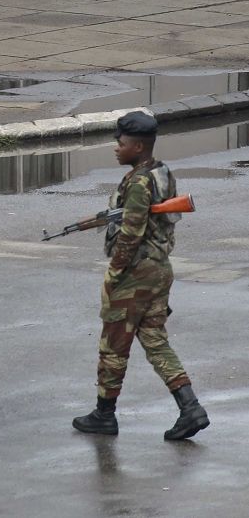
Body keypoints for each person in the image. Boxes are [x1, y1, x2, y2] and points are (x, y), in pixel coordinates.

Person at [73, 111, 209, 440]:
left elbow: (130, 234)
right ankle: (190, 408)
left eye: (120, 143)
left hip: (136, 273)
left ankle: (104, 415)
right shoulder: (161, 173)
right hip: (160, 268)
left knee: (113, 345)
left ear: (137, 146)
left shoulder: (138, 182)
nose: (115, 148)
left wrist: (116, 273)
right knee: (154, 340)